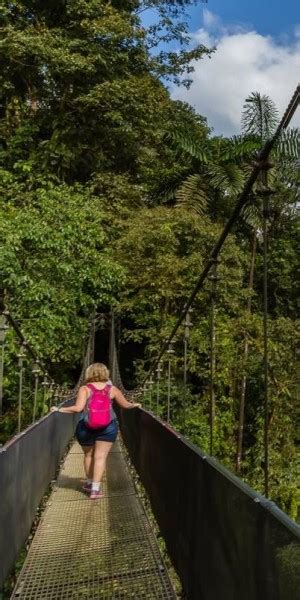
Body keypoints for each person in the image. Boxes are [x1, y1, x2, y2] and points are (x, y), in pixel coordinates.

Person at [51, 362, 141, 499]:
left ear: (89, 374)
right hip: (108, 426)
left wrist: (59, 409)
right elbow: (126, 405)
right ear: (106, 374)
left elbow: (78, 408)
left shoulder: (85, 389)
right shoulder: (112, 389)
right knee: (100, 457)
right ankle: (95, 490)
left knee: (88, 456)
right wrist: (135, 405)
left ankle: (88, 483)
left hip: (86, 426)